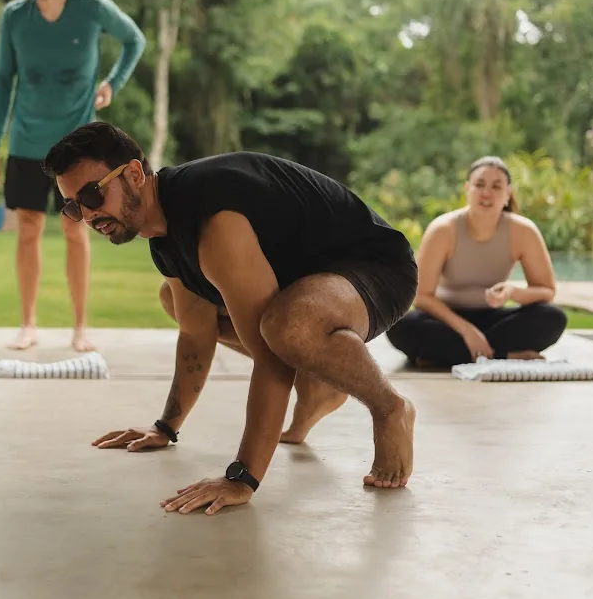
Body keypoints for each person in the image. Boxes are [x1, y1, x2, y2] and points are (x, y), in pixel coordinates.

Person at [42, 122, 419, 515]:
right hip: (311, 285)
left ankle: (390, 409)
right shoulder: (164, 240)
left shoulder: (215, 219)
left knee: (285, 328)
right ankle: (321, 380)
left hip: (377, 268)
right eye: (73, 206)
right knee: (176, 299)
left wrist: (242, 477)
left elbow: (271, 357)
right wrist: (165, 427)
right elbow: (195, 333)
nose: (86, 215)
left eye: (92, 194)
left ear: (134, 174)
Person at [0, 0, 146, 353]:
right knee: (28, 230)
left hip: (78, 149)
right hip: (25, 140)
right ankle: (28, 324)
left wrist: (113, 82)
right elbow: (3, 82)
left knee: (77, 230)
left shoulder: (92, 9)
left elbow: (134, 40)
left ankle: (79, 329)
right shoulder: (15, 17)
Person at [387, 156, 567, 369]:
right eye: (479, 184)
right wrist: (466, 331)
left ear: (508, 194)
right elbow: (421, 296)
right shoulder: (443, 229)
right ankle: (503, 355)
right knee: (400, 325)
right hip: (447, 321)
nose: (486, 193)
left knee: (552, 317)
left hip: (495, 320)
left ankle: (446, 356)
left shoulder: (523, 231)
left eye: (496, 186)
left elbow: (546, 291)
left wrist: (512, 292)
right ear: (467, 189)